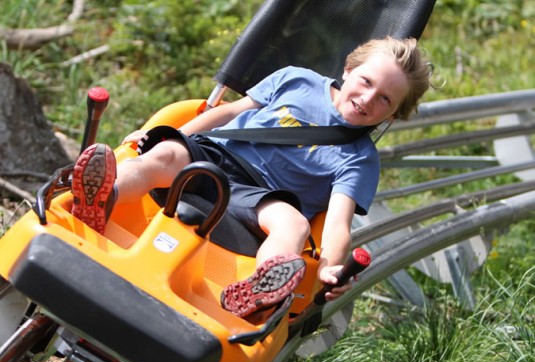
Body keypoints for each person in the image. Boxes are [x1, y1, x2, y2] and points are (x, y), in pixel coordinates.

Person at [71, 36, 432, 319]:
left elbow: (338, 224)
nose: (368, 98)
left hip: (262, 198)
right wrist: (164, 134)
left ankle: (259, 290)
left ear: (394, 114)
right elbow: (227, 112)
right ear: (349, 68)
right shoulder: (297, 80)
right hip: (212, 157)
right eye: (366, 81)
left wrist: (331, 269)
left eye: (385, 99)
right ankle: (102, 198)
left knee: (293, 225)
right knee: (166, 154)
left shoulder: (360, 157)